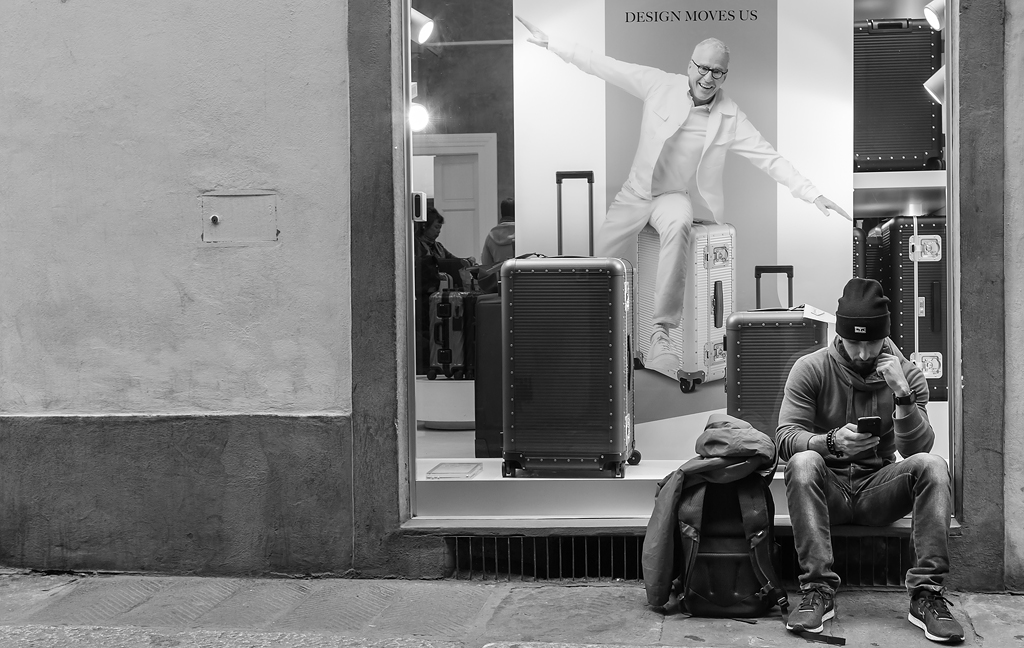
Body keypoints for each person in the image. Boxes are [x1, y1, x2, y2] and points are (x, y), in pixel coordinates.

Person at [516, 16, 852, 376]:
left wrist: (813, 193)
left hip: (672, 196)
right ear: (690, 66)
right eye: (703, 68)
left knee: (679, 225)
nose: (708, 78)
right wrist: (553, 43)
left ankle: (660, 334)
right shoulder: (659, 84)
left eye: (717, 72)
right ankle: (582, 339)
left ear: (725, 76)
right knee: (600, 265)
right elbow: (605, 66)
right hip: (634, 193)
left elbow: (769, 157)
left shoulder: (730, 117)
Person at [776, 278, 963, 643]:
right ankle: (817, 591)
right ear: (839, 334)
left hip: (878, 492)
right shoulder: (811, 368)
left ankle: (926, 595)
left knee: (934, 465)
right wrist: (830, 442)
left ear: (885, 336)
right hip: (827, 493)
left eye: (872, 342)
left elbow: (917, 449)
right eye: (854, 341)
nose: (863, 353)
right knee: (802, 461)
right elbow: (784, 439)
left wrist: (903, 395)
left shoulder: (907, 375)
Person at [414, 205, 476, 373]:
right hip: (424, 297)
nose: (438, 231)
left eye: (440, 228)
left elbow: (453, 261)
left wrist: (467, 261)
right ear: (425, 226)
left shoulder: (439, 247)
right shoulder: (414, 246)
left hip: (439, 296)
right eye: (436, 227)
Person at [481, 197, 516, 269]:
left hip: (499, 275)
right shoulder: (522, 234)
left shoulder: (491, 236)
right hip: (521, 275)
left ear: (502, 213)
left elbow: (485, 264)